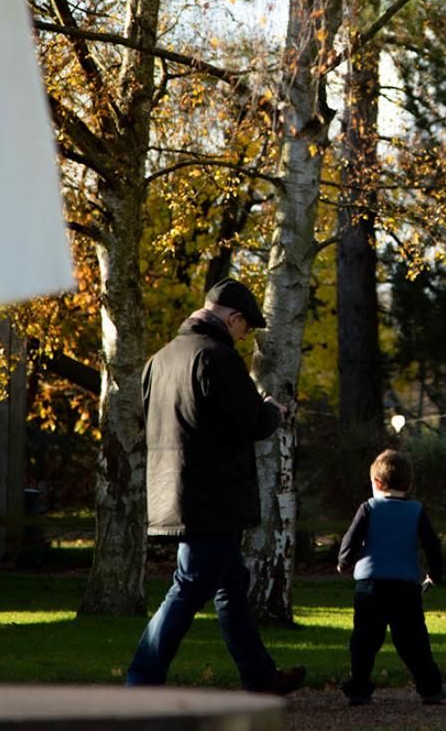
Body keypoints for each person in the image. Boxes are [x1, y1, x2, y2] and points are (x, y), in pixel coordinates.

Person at [126, 278, 306, 695]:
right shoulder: (218, 358)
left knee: (231, 587)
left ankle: (261, 677)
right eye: (246, 329)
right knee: (189, 587)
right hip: (214, 495)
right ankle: (142, 681)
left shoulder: (160, 360)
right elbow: (249, 422)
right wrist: (272, 411)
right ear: (233, 317)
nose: (244, 338)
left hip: (174, 489)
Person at [336, 449, 446, 706]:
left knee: (365, 639)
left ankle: (359, 687)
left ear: (376, 482)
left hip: (370, 585)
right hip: (406, 585)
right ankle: (430, 687)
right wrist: (435, 573)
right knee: (413, 640)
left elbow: (350, 541)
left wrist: (344, 562)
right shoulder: (416, 511)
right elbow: (432, 545)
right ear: (408, 484)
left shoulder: (369, 508)